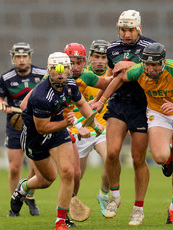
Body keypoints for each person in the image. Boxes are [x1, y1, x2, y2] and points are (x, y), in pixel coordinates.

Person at [93, 42, 173, 225]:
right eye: (147, 64)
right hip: (158, 113)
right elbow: (120, 78)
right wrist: (102, 100)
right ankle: (167, 159)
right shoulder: (139, 71)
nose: (151, 69)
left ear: (163, 62)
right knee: (160, 156)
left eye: (155, 65)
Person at [10, 52, 104, 230]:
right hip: (35, 137)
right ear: (48, 70)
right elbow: (42, 128)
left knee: (68, 173)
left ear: (69, 69)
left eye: (64, 69)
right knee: (47, 179)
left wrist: (95, 123)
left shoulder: (70, 84)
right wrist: (68, 123)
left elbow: (83, 104)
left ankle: (61, 220)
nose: (60, 73)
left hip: (58, 133)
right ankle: (22, 188)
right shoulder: (40, 96)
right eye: (55, 69)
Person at [91, 9, 155, 225]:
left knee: (138, 159)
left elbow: (154, 72)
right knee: (112, 153)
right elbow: (111, 78)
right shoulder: (112, 48)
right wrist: (98, 100)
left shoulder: (150, 47)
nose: (126, 34)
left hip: (141, 105)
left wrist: (131, 65)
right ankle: (115, 197)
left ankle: (138, 209)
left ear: (139, 29)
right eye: (122, 29)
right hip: (118, 104)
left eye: (130, 29)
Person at [0, 42, 46, 217]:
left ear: (30, 57)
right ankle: (14, 204)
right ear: (13, 58)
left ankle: (29, 196)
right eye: (18, 57)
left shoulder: (42, 75)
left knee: (35, 166)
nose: (21, 60)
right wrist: (4, 106)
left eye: (25, 56)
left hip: (34, 126)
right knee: (15, 168)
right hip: (14, 127)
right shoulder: (6, 78)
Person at [68, 40, 110, 216]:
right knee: (77, 176)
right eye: (97, 56)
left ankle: (103, 193)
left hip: (102, 129)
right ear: (90, 58)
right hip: (81, 131)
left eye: (104, 57)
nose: (100, 61)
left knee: (111, 159)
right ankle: (71, 201)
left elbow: (112, 84)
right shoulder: (80, 75)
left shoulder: (111, 76)